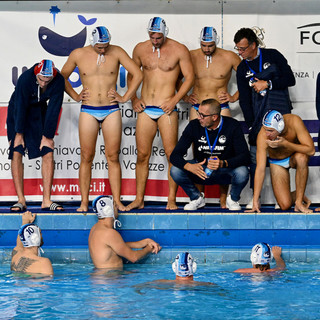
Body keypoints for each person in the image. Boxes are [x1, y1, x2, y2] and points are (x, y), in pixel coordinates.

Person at [61, 26, 143, 212]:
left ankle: (117, 201)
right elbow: (62, 77)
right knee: (86, 157)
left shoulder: (117, 51)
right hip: (89, 109)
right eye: (99, 46)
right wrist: (74, 95)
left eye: (105, 46)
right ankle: (84, 202)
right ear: (92, 42)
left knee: (113, 157)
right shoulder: (78, 54)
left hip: (111, 109)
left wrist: (125, 97)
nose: (103, 49)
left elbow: (138, 74)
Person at [126, 17, 194, 211]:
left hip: (167, 109)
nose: (155, 40)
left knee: (171, 155)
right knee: (142, 155)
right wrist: (133, 99)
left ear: (165, 32)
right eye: (152, 36)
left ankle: (171, 199)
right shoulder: (140, 48)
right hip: (146, 107)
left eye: (158, 37)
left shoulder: (179, 49)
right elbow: (132, 74)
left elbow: (189, 78)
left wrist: (175, 99)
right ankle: (139, 198)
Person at [233, 27, 296, 209]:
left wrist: (267, 83)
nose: (240, 53)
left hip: (280, 115)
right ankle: (256, 199)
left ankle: (284, 195)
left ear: (254, 45)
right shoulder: (242, 67)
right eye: (238, 49)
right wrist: (251, 124)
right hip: (258, 119)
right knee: (255, 162)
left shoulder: (273, 55)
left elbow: (290, 79)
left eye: (243, 49)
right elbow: (244, 99)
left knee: (282, 155)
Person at [183, 26, 241, 208]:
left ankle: (224, 200)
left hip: (221, 106)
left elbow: (248, 78)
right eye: (203, 45)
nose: (207, 49)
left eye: (210, 45)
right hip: (197, 107)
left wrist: (234, 97)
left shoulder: (229, 57)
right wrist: (185, 96)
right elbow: (174, 77)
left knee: (225, 151)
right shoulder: (190, 55)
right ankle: (199, 196)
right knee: (198, 151)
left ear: (216, 42)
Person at [170, 98, 250, 211]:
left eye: (202, 115)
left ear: (214, 117)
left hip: (224, 171)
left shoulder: (232, 125)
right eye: (198, 113)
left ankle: (232, 199)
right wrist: (189, 166)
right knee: (175, 170)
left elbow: (245, 156)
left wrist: (223, 163)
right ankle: (196, 198)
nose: (199, 118)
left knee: (242, 172)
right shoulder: (194, 125)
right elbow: (175, 155)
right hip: (202, 170)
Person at [6, 60, 64, 212]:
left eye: (48, 79)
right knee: (17, 150)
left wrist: (47, 135)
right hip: (18, 110)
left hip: (39, 110)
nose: (44, 83)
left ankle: (46, 200)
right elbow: (20, 105)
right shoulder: (25, 79)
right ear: (36, 75)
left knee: (47, 150)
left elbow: (54, 107)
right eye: (41, 79)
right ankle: (21, 200)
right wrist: (19, 133)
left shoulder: (58, 79)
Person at [246, 110, 315, 213]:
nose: (267, 134)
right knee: (285, 205)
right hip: (277, 162)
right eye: (265, 129)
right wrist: (255, 200)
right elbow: (260, 169)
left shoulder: (294, 122)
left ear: (280, 127)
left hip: (294, 157)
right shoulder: (262, 136)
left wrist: (286, 144)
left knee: (302, 158)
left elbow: (311, 150)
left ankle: (299, 203)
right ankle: (297, 194)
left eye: (270, 131)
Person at [88, 195, 162, 269]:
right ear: (109, 210)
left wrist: (144, 242)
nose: (117, 208)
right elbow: (134, 257)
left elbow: (115, 246)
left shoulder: (95, 228)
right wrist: (149, 248)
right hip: (111, 278)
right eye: (114, 205)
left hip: (103, 276)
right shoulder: (109, 233)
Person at [135, 252, 215, 290]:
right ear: (194, 267)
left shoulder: (160, 282)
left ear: (174, 268)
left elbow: (136, 287)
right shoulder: (207, 285)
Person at [11, 211, 53, 276]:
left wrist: (25, 222)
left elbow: (19, 243)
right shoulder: (43, 262)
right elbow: (48, 283)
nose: (42, 235)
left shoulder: (16, 255)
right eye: (40, 233)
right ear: (35, 238)